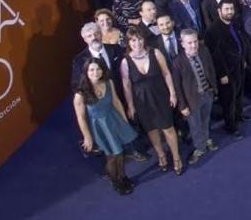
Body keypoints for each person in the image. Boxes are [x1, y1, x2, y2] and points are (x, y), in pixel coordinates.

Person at [120, 28, 183, 175]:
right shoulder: (125, 61)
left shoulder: (155, 53)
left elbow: (166, 73)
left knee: (168, 128)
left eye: (140, 39)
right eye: (133, 40)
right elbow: (126, 85)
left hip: (160, 97)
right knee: (152, 130)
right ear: (129, 42)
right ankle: (161, 155)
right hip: (141, 101)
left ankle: (176, 157)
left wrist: (172, 93)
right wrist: (130, 105)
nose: (137, 43)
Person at [73, 58, 137, 195]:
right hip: (99, 127)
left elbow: (116, 101)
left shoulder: (108, 83)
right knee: (112, 156)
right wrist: (87, 137)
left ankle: (123, 176)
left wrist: (124, 120)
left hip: (113, 119)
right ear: (86, 72)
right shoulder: (80, 94)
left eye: (98, 69)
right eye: (91, 69)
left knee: (120, 152)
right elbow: (81, 118)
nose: (95, 72)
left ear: (102, 70)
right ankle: (116, 181)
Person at [171, 29, 219, 165]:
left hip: (207, 94)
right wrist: (183, 105)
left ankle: (206, 139)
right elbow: (177, 86)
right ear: (182, 44)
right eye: (189, 42)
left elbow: (211, 69)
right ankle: (200, 147)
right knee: (195, 125)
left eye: (195, 41)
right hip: (191, 100)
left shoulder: (204, 51)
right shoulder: (177, 62)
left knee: (205, 120)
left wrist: (213, 88)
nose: (193, 45)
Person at [205, 0, 248, 138]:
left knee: (239, 94)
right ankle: (231, 126)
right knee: (228, 100)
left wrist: (243, 60)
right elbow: (214, 55)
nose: (230, 12)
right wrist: (222, 74)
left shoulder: (233, 23)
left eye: (231, 9)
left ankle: (238, 115)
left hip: (238, 66)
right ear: (219, 11)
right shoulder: (213, 30)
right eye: (226, 9)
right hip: (226, 72)